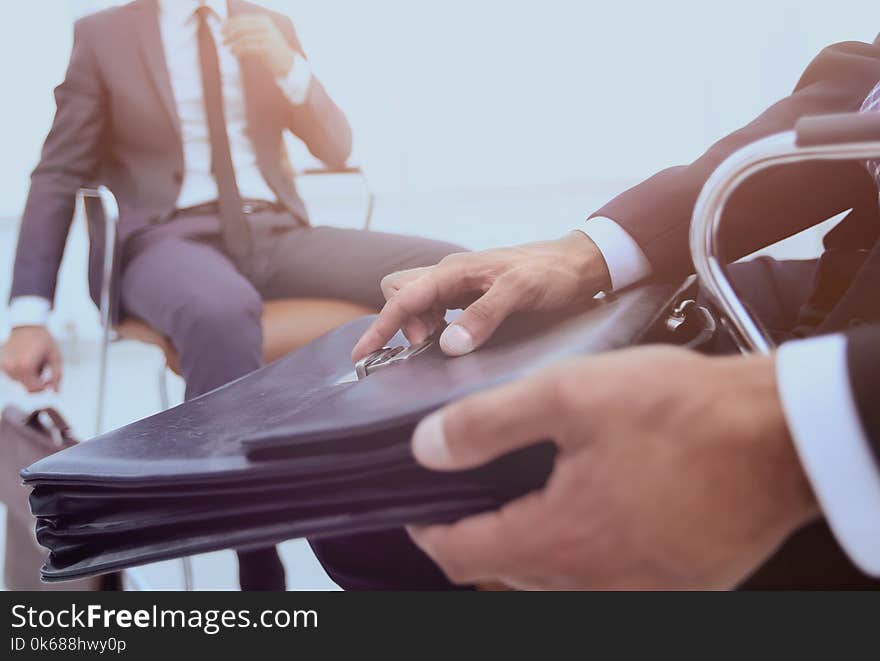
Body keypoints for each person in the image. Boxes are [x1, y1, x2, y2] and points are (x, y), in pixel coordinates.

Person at [354, 37, 880, 588]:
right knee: (367, 480)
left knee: (411, 510)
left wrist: (800, 433)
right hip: (849, 278)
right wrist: (585, 255)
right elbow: (865, 90)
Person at [1, 0, 459, 590]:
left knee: (449, 266)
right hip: (165, 240)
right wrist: (28, 315)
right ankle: (257, 565)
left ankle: (443, 494)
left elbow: (336, 148)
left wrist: (288, 67)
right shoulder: (104, 35)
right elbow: (59, 171)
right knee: (220, 309)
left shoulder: (270, 26)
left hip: (277, 233)